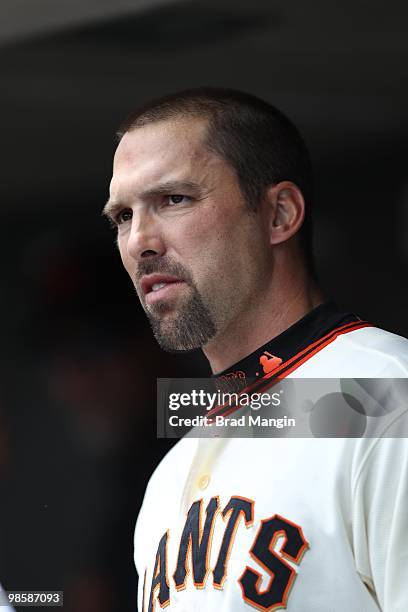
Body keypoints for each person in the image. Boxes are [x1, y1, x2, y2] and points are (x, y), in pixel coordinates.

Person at [103, 88, 408, 611]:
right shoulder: (170, 476)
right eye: (123, 216)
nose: (139, 242)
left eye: (173, 199)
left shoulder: (387, 400)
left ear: (279, 214)